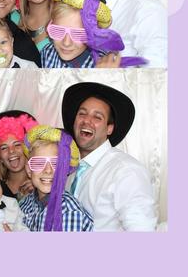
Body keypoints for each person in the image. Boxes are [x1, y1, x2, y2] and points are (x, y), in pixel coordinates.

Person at [62, 82, 157, 231]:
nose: (86, 120)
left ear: (109, 129)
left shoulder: (127, 172)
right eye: (82, 113)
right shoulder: (67, 169)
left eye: (97, 117)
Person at [19, 125, 94, 232]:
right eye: (38, 163)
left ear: (65, 169)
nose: (48, 170)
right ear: (29, 170)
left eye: (56, 163)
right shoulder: (25, 204)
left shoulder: (68, 211)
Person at [0, 111, 38, 198]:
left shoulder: (41, 184)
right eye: (4, 148)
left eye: (17, 144)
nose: (11, 151)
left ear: (28, 148)